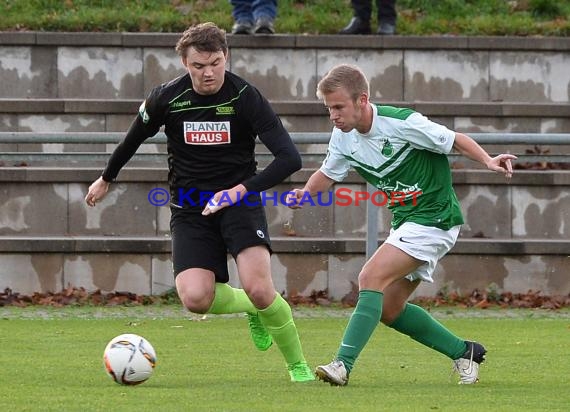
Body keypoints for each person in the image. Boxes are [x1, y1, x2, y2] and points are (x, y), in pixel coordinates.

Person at [85, 22, 314, 383]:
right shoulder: (166, 97)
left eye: (216, 63)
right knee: (195, 299)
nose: (209, 73)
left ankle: (297, 366)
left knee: (260, 287)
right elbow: (133, 138)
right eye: (199, 66)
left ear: (226, 57)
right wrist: (106, 177)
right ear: (184, 62)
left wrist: (240, 190)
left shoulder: (244, 97)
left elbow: (290, 158)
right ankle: (251, 309)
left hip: (239, 201)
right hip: (190, 207)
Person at [287, 64, 516, 386]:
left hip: (435, 217)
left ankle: (342, 364)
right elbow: (329, 172)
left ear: (362, 100)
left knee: (370, 276)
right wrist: (306, 194)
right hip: (406, 222)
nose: (333, 116)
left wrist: (488, 160)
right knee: (390, 308)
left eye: (338, 107)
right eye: (328, 109)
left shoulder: (401, 122)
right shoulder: (343, 137)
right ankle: (464, 351)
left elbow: (455, 140)